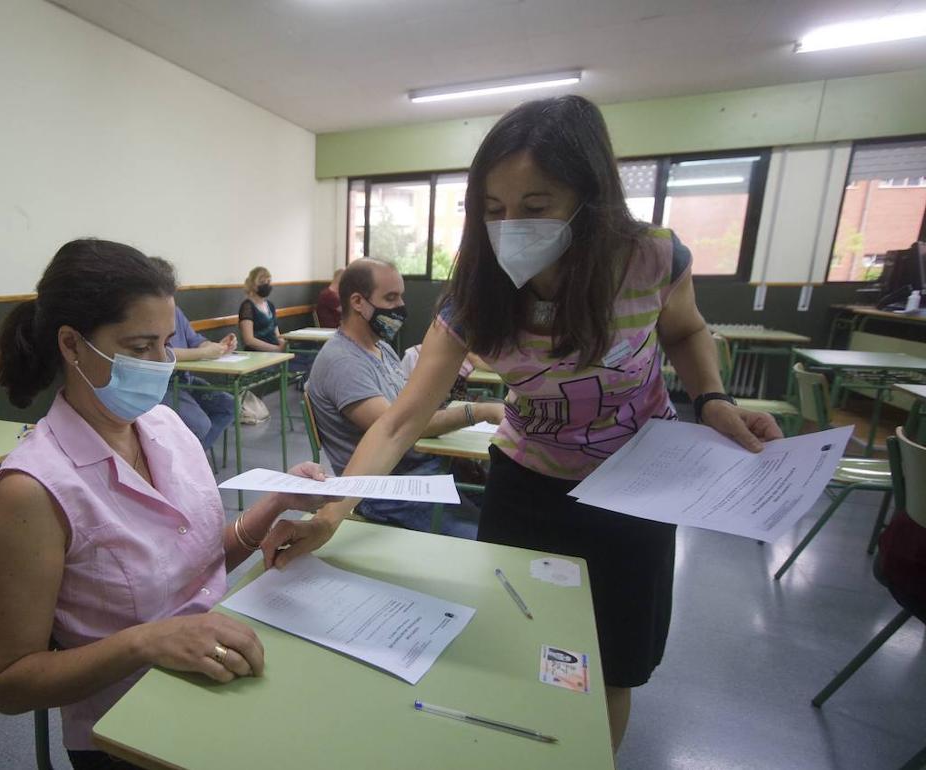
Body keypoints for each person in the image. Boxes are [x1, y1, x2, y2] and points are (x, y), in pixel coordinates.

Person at [259, 96, 783, 752]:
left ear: (589, 200)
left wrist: (710, 398)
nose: (512, 227)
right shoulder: (479, 290)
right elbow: (400, 422)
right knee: (516, 645)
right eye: (494, 209)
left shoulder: (651, 259)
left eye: (536, 207)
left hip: (638, 485)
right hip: (529, 482)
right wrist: (331, 516)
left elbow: (686, 330)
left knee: (612, 662)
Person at [0, 240, 326, 770]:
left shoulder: (164, 426)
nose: (161, 363)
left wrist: (275, 502)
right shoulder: (33, 489)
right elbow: (9, 683)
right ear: (71, 344)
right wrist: (146, 643)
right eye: (140, 347)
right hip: (126, 727)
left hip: (213, 666)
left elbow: (195, 562)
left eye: (166, 343)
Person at [307, 258, 501, 537]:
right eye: (390, 297)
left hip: (422, 471)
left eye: (401, 296)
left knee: (502, 519)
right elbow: (402, 427)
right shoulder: (342, 362)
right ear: (358, 302)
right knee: (486, 538)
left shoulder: (381, 348)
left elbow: (410, 411)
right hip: (386, 491)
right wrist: (477, 411)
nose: (400, 307)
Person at [147, 257, 237, 451]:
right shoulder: (145, 315)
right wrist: (204, 352)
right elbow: (162, 353)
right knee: (200, 426)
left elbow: (195, 339)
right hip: (162, 385)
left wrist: (217, 346)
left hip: (184, 380)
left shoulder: (175, 311)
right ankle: (185, 463)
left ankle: (193, 457)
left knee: (228, 406)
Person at [237, 266, 284, 352]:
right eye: (262, 282)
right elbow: (249, 340)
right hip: (257, 354)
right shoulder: (247, 306)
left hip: (274, 352)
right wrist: (276, 349)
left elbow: (277, 334)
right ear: (253, 285)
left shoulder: (270, 305)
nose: (266, 284)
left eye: (269, 281)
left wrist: (284, 344)